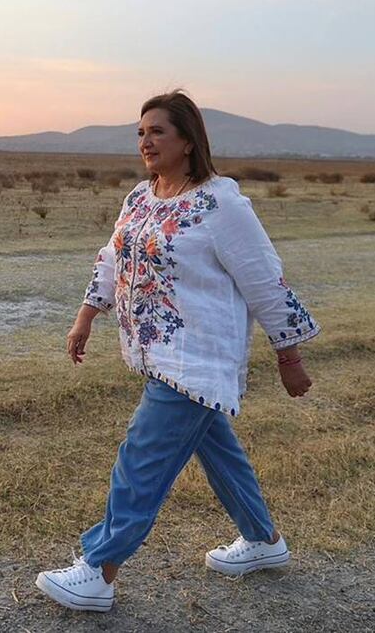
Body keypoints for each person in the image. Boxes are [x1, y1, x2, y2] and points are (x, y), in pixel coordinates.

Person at [34, 90, 319, 612]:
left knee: (140, 459)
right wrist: (86, 316)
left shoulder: (220, 204)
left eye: (157, 131)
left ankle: (99, 570)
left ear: (188, 141)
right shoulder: (141, 197)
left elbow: (264, 279)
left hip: (198, 358)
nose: (145, 141)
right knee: (218, 450)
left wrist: (289, 356)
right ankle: (263, 540)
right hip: (156, 353)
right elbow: (113, 257)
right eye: (141, 133)